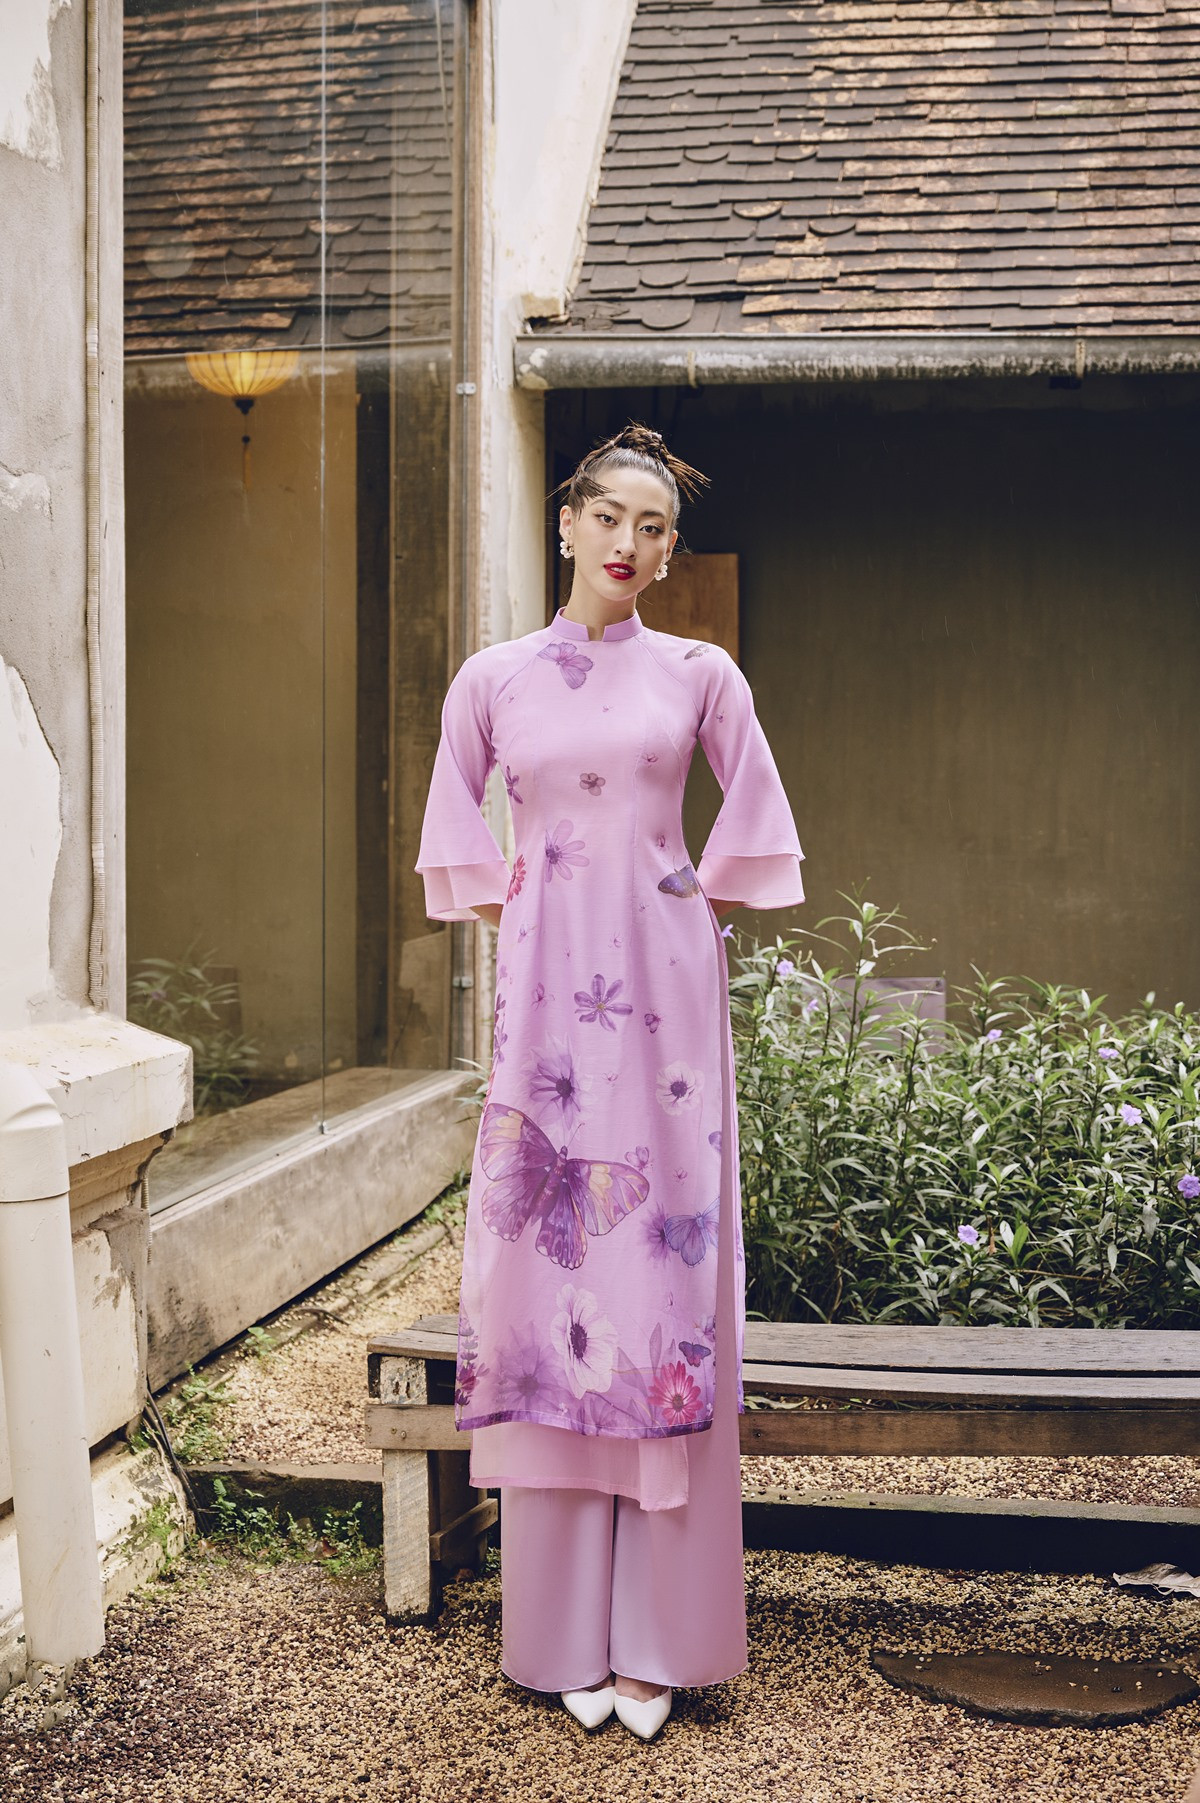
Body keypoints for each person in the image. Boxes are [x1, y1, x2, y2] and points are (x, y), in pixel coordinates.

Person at [415, 422, 805, 1740]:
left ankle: (660, 1641)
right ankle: (557, 1631)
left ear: (668, 550)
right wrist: (527, 909)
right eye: (611, 518)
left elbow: (754, 814)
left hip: (665, 1006)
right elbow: (454, 824)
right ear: (568, 523)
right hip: (543, 1004)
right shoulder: (494, 680)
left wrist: (682, 899)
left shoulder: (699, 674)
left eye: (655, 528)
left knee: (660, 1272)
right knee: (546, 1269)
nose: (630, 543)